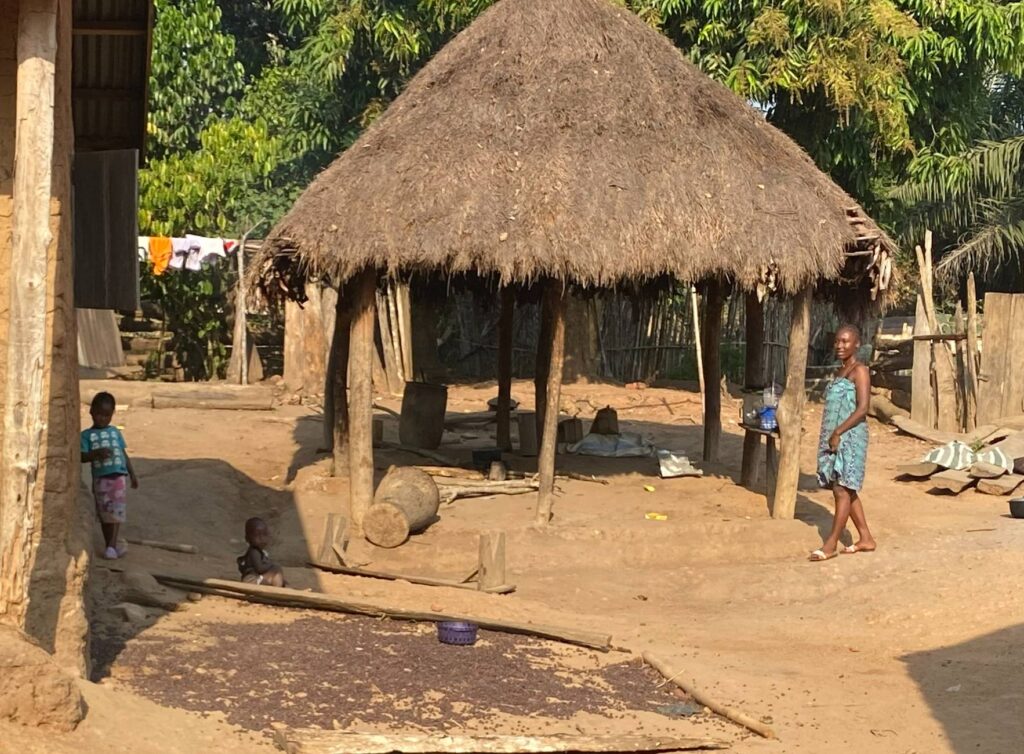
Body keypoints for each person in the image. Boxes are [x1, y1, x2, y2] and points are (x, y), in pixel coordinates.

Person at [809, 325, 876, 562]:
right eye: (837, 341)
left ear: (857, 344)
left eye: (846, 342)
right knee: (846, 487)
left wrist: (838, 431)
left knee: (841, 489)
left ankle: (831, 543)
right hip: (836, 437)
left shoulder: (860, 371)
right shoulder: (840, 371)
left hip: (851, 437)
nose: (840, 346)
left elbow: (863, 408)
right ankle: (866, 538)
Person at [81, 392, 138, 559]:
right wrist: (94, 454)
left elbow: (122, 452)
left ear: (112, 414)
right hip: (100, 478)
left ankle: (112, 545)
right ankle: (110, 545)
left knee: (117, 511)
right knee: (105, 512)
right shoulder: (86, 435)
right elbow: (81, 456)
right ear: (91, 412)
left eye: (106, 415)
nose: (102, 419)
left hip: (118, 476)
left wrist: (132, 473)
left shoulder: (114, 432)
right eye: (99, 414)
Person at [237, 517, 286, 586]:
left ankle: (279, 587)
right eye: (257, 535)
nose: (262, 538)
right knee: (276, 570)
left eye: (264, 534)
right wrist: (271, 565)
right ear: (247, 538)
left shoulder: (259, 551)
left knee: (276, 571)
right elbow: (260, 569)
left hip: (256, 578)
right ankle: (278, 590)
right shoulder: (254, 552)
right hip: (251, 581)